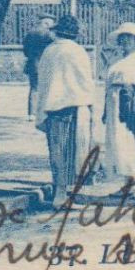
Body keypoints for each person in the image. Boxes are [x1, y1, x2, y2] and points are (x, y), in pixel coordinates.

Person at [32, 15, 95, 206]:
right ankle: (69, 191)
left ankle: (60, 193)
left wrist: (41, 109)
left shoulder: (49, 52)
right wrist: (91, 105)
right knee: (76, 150)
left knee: (57, 150)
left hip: (54, 107)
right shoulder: (79, 52)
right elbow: (86, 80)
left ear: (57, 31)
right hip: (76, 105)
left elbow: (43, 81)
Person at [102, 21, 135, 187]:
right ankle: (127, 183)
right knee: (118, 143)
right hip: (114, 103)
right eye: (122, 37)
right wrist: (105, 111)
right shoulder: (117, 60)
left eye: (129, 37)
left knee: (131, 142)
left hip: (129, 105)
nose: (125, 41)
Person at [22, 15, 57, 119]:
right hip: (45, 65)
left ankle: (31, 114)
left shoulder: (30, 33)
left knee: (34, 88)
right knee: (48, 88)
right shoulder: (49, 35)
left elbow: (25, 51)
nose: (51, 26)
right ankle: (44, 112)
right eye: (50, 23)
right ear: (45, 23)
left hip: (32, 65)